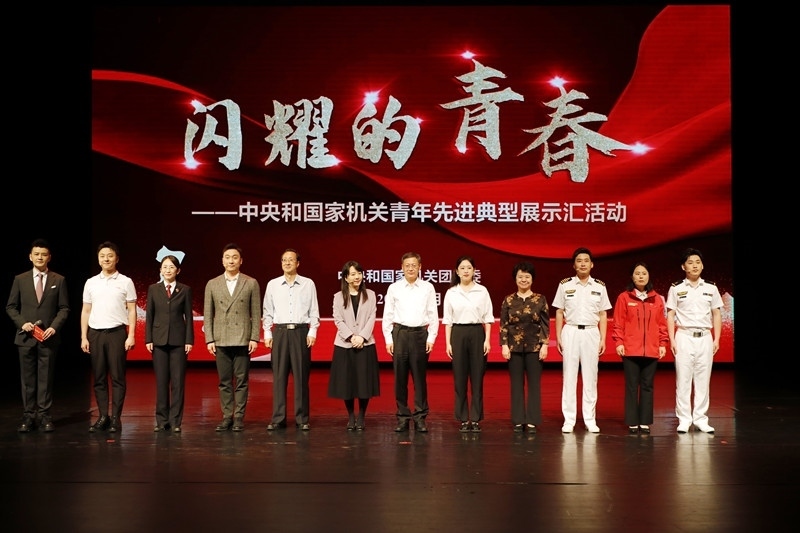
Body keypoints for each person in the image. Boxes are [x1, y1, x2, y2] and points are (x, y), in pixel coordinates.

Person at [5, 238, 70, 433]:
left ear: (49, 257)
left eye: (43, 254)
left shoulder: (59, 280)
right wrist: (22, 323)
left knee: (46, 378)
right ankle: (28, 416)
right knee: (27, 379)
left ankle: (44, 415)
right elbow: (11, 307)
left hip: (48, 338)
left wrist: (54, 327)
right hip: (25, 337)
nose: (40, 257)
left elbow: (64, 308)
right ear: (30, 257)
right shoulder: (20, 279)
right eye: (36, 254)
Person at [552, 247, 611, 434]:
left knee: (590, 377)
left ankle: (590, 419)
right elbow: (559, 311)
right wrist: (558, 336)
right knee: (569, 377)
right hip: (571, 331)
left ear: (592, 264)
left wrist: (603, 338)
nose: (583, 264)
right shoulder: (565, 285)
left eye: (586, 260)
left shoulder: (599, 286)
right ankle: (569, 420)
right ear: (574, 265)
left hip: (591, 332)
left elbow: (603, 314)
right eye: (579, 261)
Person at [203, 243, 261, 432]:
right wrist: (209, 339)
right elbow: (208, 314)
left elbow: (256, 312)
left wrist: (254, 337)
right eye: (227, 257)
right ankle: (227, 416)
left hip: (243, 337)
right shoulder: (212, 284)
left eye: (235, 257)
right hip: (221, 338)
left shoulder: (250, 282)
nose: (231, 261)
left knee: (242, 380)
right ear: (222, 260)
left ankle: (239, 417)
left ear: (241, 261)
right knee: (224, 381)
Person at [81, 241, 137, 433]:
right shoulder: (91, 282)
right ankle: (103, 416)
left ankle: (116, 418)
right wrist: (84, 337)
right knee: (98, 377)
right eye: (102, 256)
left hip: (116, 333)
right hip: (95, 334)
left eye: (110, 256)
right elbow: (86, 311)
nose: (106, 259)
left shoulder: (126, 281)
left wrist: (131, 335)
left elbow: (132, 310)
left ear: (117, 259)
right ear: (98, 259)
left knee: (118, 377)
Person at [666, 248, 723, 434]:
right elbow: (670, 314)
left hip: (705, 337)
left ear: (702, 265)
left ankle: (700, 419)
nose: (695, 266)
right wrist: (672, 339)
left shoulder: (711, 288)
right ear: (683, 267)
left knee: (703, 380)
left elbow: (716, 314)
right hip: (684, 336)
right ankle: (684, 419)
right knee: (683, 380)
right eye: (690, 263)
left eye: (698, 262)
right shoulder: (676, 288)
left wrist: (717, 338)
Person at [263, 249, 320, 431]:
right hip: (280, 332)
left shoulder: (308, 284)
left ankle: (302, 419)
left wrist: (313, 331)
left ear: (298, 263)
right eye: (284, 260)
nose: (287, 263)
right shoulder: (273, 284)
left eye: (291, 260)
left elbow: (314, 310)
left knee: (301, 377)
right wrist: (267, 333)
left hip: (300, 332)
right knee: (279, 378)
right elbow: (267, 311)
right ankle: (278, 418)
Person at [382, 252, 439, 433]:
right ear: (402, 268)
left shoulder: (428, 287)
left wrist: (431, 337)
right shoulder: (394, 288)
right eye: (407, 265)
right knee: (400, 379)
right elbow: (387, 315)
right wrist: (388, 339)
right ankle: (403, 417)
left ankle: (420, 417)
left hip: (420, 334)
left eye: (414, 265)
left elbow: (433, 314)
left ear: (420, 267)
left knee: (419, 379)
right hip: (399, 334)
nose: (411, 268)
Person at [611, 262, 668, 434]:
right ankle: (632, 421)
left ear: (649, 276)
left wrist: (663, 343)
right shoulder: (624, 297)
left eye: (644, 273)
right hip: (630, 350)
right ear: (632, 276)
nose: (641, 276)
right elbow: (618, 322)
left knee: (647, 385)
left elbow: (662, 324)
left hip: (651, 349)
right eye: (637, 273)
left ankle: (644, 421)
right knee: (631, 386)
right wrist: (619, 342)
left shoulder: (657, 299)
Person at [442, 255, 493, 433]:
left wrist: (487, 340)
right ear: (457, 271)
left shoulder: (482, 291)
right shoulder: (451, 292)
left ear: (474, 271)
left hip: (477, 333)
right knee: (460, 378)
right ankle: (463, 418)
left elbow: (488, 318)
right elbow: (447, 320)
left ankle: (476, 418)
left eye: (469, 268)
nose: (465, 271)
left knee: (477, 377)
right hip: (458, 333)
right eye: (462, 268)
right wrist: (448, 343)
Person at [328, 260, 380, 431]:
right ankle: (351, 416)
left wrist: (362, 337)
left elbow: (372, 317)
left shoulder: (370, 295)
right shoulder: (338, 297)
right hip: (345, 344)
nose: (357, 277)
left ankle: (362, 416)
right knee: (347, 383)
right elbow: (338, 320)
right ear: (346, 277)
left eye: (359, 273)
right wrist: (351, 337)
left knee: (364, 382)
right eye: (353, 274)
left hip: (366, 343)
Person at [145, 255, 194, 433]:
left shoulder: (185, 290)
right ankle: (161, 420)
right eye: (165, 267)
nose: (168, 270)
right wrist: (148, 339)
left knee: (178, 383)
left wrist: (189, 340)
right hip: (158, 340)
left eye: (171, 267)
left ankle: (175, 421)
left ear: (178, 270)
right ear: (160, 270)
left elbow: (189, 316)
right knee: (161, 382)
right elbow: (149, 315)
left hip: (179, 341)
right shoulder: (153, 289)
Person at [499, 261, 549, 433]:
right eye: (520, 277)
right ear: (515, 279)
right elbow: (504, 324)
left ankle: (532, 421)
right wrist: (504, 345)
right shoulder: (508, 300)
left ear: (532, 279)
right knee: (516, 384)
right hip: (513, 348)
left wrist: (545, 345)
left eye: (527, 277)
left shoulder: (540, 299)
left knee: (534, 384)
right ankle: (518, 420)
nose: (524, 280)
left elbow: (545, 324)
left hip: (535, 347)